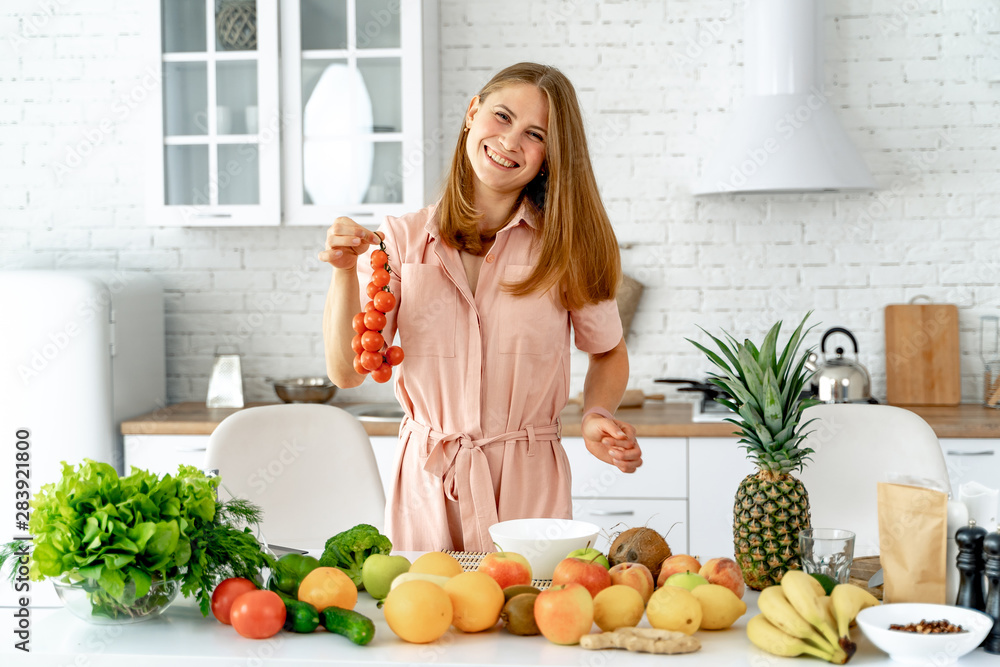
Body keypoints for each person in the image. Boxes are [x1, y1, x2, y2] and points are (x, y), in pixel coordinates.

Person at [318, 62, 642, 552]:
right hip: (428, 484)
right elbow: (347, 372)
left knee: (526, 619)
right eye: (502, 116)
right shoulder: (400, 242)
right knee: (430, 622)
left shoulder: (569, 248)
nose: (511, 141)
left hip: (529, 489)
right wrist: (344, 271)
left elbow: (608, 351)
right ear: (473, 112)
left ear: (550, 156)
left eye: (535, 134)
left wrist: (596, 412)